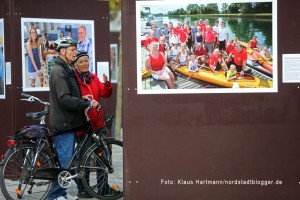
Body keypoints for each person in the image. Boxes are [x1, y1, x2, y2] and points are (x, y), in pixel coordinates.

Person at [48, 36, 99, 200]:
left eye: (75, 49)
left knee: (67, 162)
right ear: (62, 52)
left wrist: (85, 97)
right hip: (65, 123)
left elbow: (70, 94)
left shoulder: (67, 69)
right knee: (64, 163)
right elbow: (64, 99)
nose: (75, 52)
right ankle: (56, 196)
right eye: (72, 50)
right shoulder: (59, 72)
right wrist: (85, 102)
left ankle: (60, 194)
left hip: (70, 122)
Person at [73, 51, 114, 198]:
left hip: (98, 124)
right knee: (83, 158)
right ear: (76, 65)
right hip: (84, 125)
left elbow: (105, 93)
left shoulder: (94, 77)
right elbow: (73, 99)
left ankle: (103, 188)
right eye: (81, 61)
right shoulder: (74, 80)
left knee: (102, 157)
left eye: (86, 61)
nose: (85, 63)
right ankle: (84, 189)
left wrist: (107, 84)